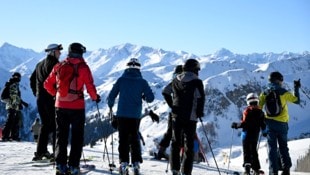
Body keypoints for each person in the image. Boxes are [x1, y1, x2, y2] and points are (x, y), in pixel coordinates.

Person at [44, 42, 100, 175]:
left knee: (61, 136)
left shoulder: (59, 65)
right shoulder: (83, 67)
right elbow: (90, 86)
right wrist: (95, 97)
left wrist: (57, 95)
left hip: (60, 106)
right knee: (76, 137)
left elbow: (47, 84)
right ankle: (74, 166)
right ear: (80, 52)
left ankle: (60, 165)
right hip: (77, 107)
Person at [107, 58, 154, 175]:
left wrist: (111, 106)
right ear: (139, 68)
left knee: (123, 139)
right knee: (134, 138)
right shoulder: (142, 82)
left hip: (122, 114)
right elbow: (151, 98)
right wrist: (143, 96)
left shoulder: (121, 80)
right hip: (135, 115)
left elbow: (111, 96)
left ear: (126, 68)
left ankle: (123, 163)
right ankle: (136, 163)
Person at [259, 72, 300, 175]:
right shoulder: (282, 91)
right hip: (282, 124)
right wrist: (296, 88)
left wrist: (263, 125)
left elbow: (259, 108)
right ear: (278, 80)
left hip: (269, 124)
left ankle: (273, 172)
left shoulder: (264, 92)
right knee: (283, 147)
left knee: (272, 149)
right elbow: (296, 100)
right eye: (281, 80)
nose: (282, 82)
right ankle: (286, 170)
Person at [170, 59, 205, 175]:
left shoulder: (175, 80)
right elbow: (200, 98)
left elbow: (166, 92)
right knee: (188, 146)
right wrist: (199, 112)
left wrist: (172, 106)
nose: (198, 72)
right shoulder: (197, 82)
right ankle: (185, 172)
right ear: (194, 69)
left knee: (175, 142)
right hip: (190, 117)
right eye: (197, 70)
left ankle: (174, 169)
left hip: (176, 116)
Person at [30, 43, 63, 161]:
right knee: (55, 126)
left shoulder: (39, 64)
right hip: (51, 98)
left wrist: (36, 92)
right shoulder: (56, 64)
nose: (60, 53)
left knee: (45, 125)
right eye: (58, 51)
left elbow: (32, 79)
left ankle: (40, 151)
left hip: (40, 99)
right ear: (52, 52)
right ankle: (57, 153)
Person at [231, 93, 266, 175]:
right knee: (254, 151)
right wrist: (264, 132)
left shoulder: (247, 111)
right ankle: (256, 169)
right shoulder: (260, 112)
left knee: (247, 152)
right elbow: (263, 124)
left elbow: (244, 123)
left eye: (253, 103)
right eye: (252, 103)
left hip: (246, 135)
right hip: (255, 136)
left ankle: (247, 171)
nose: (253, 105)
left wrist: (236, 125)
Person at [155, 65, 183, 160]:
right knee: (183, 133)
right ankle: (181, 156)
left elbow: (165, 92)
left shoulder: (174, 82)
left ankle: (161, 153)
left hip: (174, 112)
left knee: (170, 132)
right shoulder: (188, 83)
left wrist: (172, 105)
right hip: (185, 112)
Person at [1, 72, 28, 141]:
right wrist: (10, 101)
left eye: (19, 77)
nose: (18, 78)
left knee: (15, 121)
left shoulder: (16, 85)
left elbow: (17, 97)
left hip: (15, 106)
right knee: (10, 120)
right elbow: (4, 96)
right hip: (11, 105)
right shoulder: (10, 84)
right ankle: (5, 136)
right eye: (17, 77)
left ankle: (14, 136)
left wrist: (22, 103)